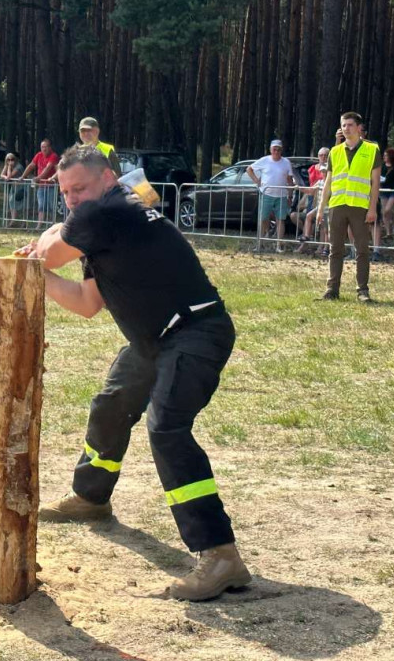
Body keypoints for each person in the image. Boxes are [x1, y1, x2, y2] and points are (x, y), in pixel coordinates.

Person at [22, 145, 251, 602]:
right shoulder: (105, 220)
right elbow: (88, 304)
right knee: (112, 404)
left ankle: (220, 553)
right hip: (154, 340)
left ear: (108, 178)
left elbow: (49, 251)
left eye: (80, 187)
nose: (71, 198)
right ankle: (91, 497)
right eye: (65, 191)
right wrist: (37, 276)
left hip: (195, 332)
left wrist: (36, 255)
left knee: (166, 428)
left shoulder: (105, 211)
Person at [314, 112, 382, 302]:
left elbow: (375, 183)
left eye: (350, 125)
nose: (346, 129)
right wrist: (321, 208)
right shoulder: (334, 152)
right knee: (335, 249)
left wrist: (372, 208)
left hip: (360, 207)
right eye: (344, 125)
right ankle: (332, 290)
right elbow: (328, 182)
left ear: (359, 128)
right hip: (337, 205)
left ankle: (362, 290)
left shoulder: (371, 150)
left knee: (361, 250)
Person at [247, 140, 295, 253]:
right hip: (266, 194)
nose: (276, 151)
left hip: (282, 195)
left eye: (279, 149)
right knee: (263, 219)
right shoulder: (265, 160)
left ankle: (279, 245)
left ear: (281, 150)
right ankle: (260, 244)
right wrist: (256, 180)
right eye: (274, 149)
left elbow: (289, 180)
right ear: (270, 150)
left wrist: (290, 195)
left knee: (280, 220)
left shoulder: (286, 162)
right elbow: (249, 169)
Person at [296, 147, 329, 255]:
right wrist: (299, 187)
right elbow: (310, 190)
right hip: (318, 205)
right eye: (322, 172)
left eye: (325, 172)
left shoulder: (332, 182)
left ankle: (324, 248)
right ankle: (306, 236)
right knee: (309, 216)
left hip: (328, 207)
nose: (323, 173)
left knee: (325, 228)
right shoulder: (319, 181)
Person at [20, 139, 60, 225]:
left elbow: (47, 168)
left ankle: (51, 225)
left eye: (46, 147)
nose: (44, 149)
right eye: (42, 147)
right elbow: (31, 165)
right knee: (41, 206)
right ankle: (39, 225)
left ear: (50, 147)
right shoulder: (39, 155)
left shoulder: (53, 156)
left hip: (51, 186)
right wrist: (23, 176)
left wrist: (38, 178)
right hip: (41, 186)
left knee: (50, 206)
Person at [0, 152, 26, 225]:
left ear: (15, 159)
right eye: (8, 159)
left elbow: (9, 176)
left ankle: (23, 222)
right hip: (14, 186)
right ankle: (13, 219)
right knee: (11, 202)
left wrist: (8, 168)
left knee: (21, 204)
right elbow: (2, 175)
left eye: (12, 159)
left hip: (21, 187)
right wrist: (5, 176)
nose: (10, 161)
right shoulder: (7, 165)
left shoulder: (18, 166)